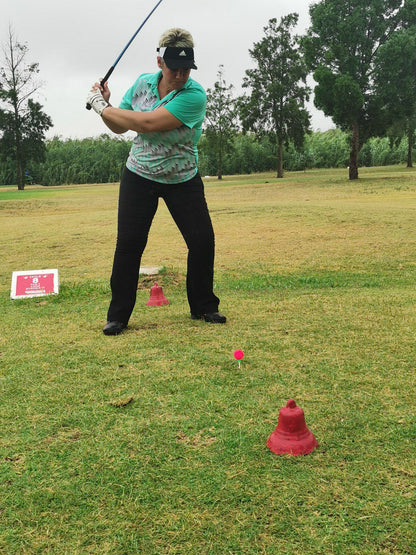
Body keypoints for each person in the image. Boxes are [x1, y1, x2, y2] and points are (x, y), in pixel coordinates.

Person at [86, 28, 226, 335]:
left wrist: (104, 108)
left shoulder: (194, 95)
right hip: (139, 174)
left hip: (182, 178)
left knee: (202, 241)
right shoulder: (141, 84)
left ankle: (204, 306)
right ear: (159, 62)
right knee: (129, 245)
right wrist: (105, 107)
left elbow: (147, 123)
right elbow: (120, 127)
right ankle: (118, 316)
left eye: (186, 68)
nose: (180, 74)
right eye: (174, 68)